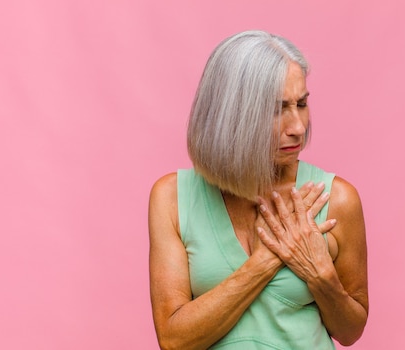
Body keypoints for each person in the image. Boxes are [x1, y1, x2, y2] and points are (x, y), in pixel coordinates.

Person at [148, 30, 368, 349]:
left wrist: (322, 276)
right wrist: (268, 259)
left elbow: (350, 331)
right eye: (277, 109)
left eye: (301, 104)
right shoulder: (172, 197)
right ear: (229, 115)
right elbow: (174, 341)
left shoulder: (336, 198)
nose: (298, 127)